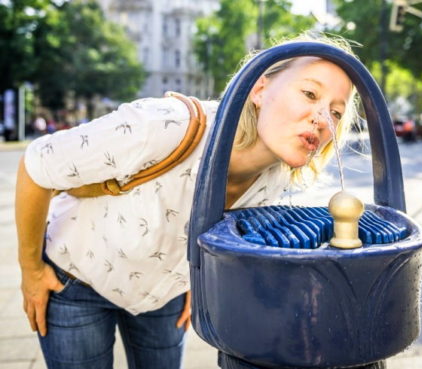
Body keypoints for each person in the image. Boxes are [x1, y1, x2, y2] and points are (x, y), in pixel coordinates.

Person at [15, 34, 366, 369]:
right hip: (76, 282)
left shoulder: (279, 178)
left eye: (336, 112)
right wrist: (32, 271)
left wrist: (194, 281)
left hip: (164, 297)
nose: (323, 120)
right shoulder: (164, 125)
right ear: (259, 88)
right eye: (309, 93)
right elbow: (36, 166)